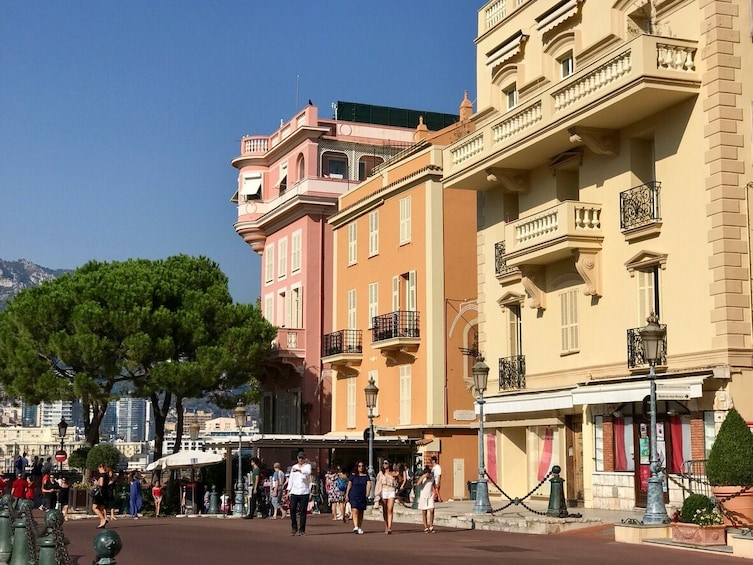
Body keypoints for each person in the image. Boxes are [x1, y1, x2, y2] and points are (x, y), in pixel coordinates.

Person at [287, 451, 312, 536]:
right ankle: (294, 526)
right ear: (297, 458)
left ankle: (302, 529)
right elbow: (291, 479)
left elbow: (308, 472)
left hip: (304, 491)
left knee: (303, 511)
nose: (301, 459)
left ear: (304, 459)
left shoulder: (307, 466)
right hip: (294, 491)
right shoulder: (294, 467)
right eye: (299, 458)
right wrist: (288, 489)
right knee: (292, 508)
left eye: (302, 458)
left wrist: (299, 470)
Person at [345, 460, 371, 535]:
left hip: (362, 494)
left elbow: (369, 484)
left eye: (362, 466)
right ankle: (356, 526)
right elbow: (349, 485)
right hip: (354, 494)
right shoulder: (353, 475)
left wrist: (368, 492)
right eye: (359, 466)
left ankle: (359, 526)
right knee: (355, 509)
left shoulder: (366, 476)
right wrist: (347, 494)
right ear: (357, 467)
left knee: (361, 511)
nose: (361, 467)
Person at [375, 459, 399, 534]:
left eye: (386, 463)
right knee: (385, 509)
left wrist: (397, 476)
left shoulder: (393, 473)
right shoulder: (381, 473)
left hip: (391, 490)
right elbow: (378, 484)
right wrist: (377, 494)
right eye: (383, 463)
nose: (384, 464)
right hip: (384, 491)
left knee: (390, 509)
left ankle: (389, 527)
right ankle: (386, 526)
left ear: (389, 464)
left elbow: (400, 480)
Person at [417, 466, 436, 533]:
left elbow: (434, 486)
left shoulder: (432, 478)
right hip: (423, 496)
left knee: (431, 510)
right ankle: (426, 527)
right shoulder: (423, 479)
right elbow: (418, 484)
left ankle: (431, 526)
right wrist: (423, 477)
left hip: (430, 496)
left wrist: (436, 494)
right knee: (424, 512)